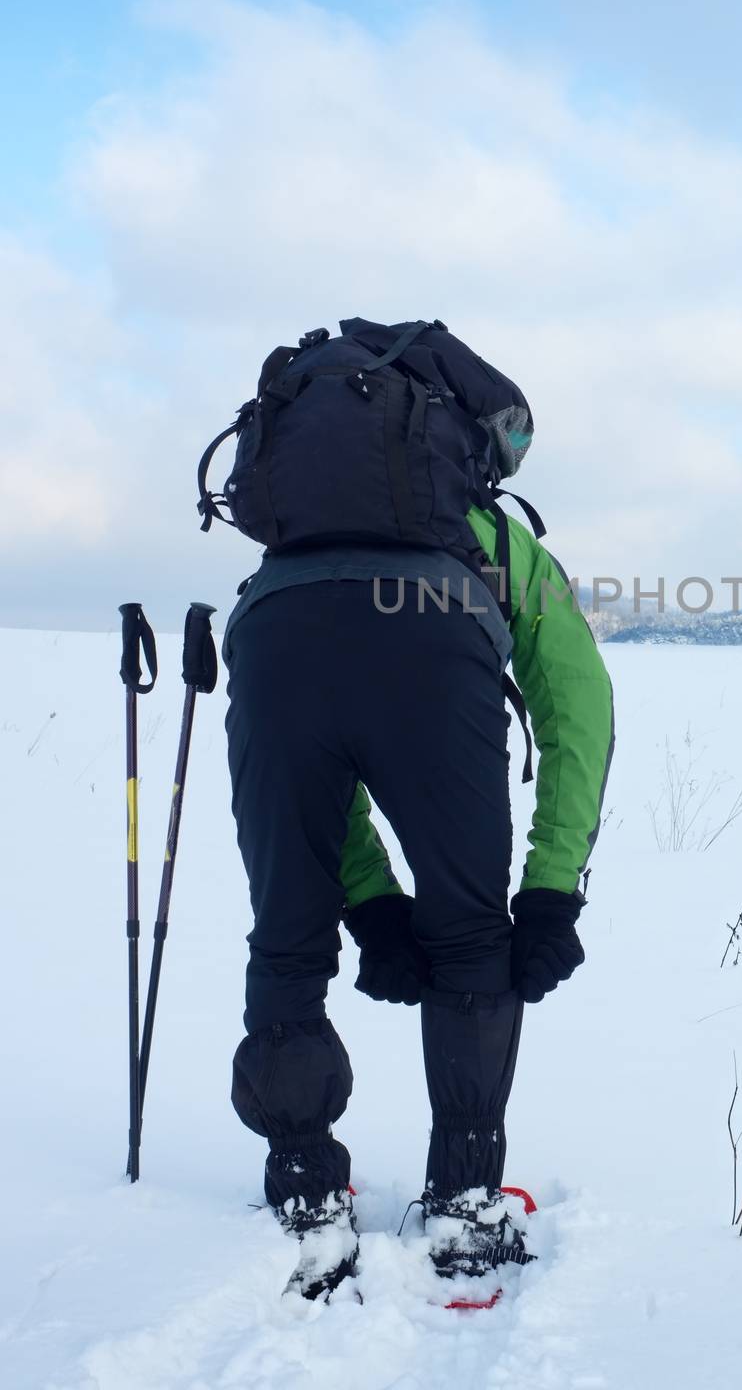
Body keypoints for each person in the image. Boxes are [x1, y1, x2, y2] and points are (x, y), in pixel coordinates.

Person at [218, 327, 614, 1301]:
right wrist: (552, 887)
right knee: (473, 930)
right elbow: (577, 701)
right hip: (434, 653)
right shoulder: (487, 537)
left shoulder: (290, 542)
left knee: (287, 937)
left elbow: (328, 735)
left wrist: (365, 900)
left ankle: (305, 1179)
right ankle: (465, 1204)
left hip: (271, 641)